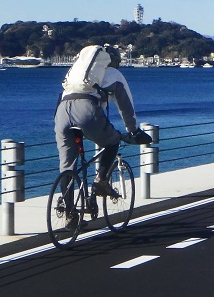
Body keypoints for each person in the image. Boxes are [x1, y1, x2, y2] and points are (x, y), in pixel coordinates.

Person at [54, 44, 151, 201]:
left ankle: (69, 213)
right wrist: (133, 130)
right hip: (86, 109)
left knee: (67, 165)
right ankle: (101, 181)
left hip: (62, 111)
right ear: (114, 61)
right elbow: (125, 106)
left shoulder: (79, 75)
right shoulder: (114, 74)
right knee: (112, 141)